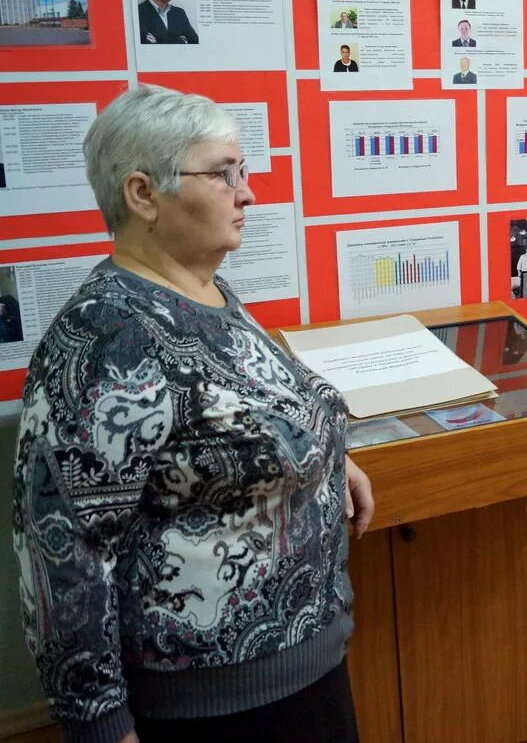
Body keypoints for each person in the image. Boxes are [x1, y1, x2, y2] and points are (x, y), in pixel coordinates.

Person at [12, 84, 375, 743]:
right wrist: (99, 726)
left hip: (302, 668)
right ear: (143, 195)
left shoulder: (207, 290)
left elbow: (249, 418)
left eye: (244, 171)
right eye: (224, 173)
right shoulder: (106, 337)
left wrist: (328, 463)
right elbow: (63, 556)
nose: (248, 193)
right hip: (214, 708)